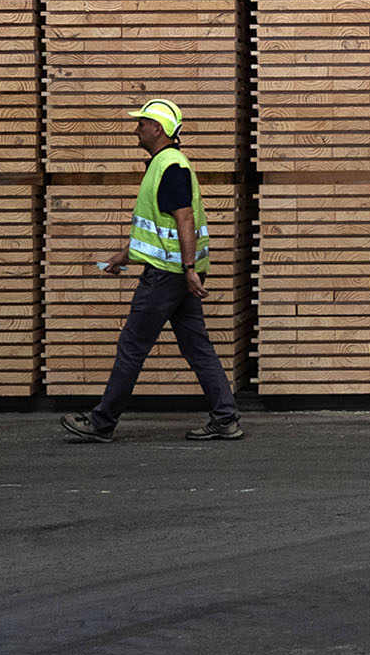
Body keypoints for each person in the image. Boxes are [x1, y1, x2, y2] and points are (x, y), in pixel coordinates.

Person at [61, 98, 243, 442]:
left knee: (132, 346)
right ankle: (225, 417)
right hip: (176, 273)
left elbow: (184, 219)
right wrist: (123, 255)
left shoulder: (170, 166)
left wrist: (188, 269)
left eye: (141, 123)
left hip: (167, 276)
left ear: (157, 129)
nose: (136, 128)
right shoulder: (165, 164)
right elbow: (160, 231)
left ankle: (101, 423)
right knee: (196, 345)